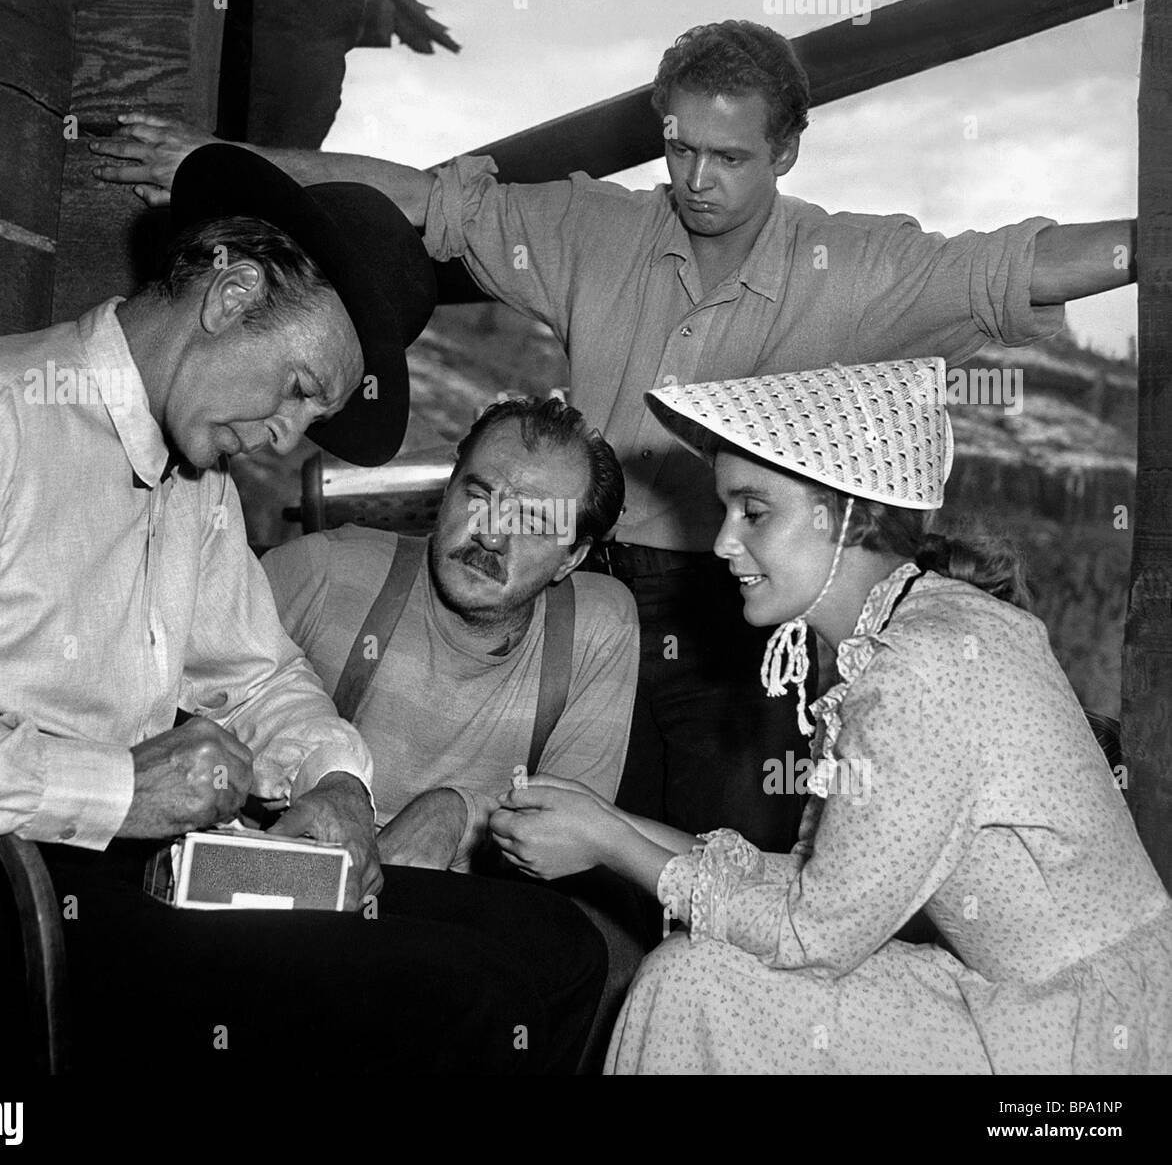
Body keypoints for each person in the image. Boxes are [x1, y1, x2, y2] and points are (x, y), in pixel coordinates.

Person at [87, 20, 1135, 857]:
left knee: (731, 849)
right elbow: (428, 200)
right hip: (583, 586)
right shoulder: (602, 229)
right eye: (679, 146)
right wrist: (227, 165)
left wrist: (1152, 240)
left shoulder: (852, 264)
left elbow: (1012, 266)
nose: (696, 178)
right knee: (560, 843)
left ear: (786, 151)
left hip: (738, 609)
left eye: (730, 156)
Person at [0, 143, 604, 1074]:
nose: (285, 439)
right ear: (231, 294)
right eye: (297, 390)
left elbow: (259, 676)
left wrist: (336, 781)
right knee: (466, 995)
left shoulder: (199, 483)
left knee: (555, 946)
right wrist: (113, 786)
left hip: (151, 864)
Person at [486, 357, 1172, 1074]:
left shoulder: (920, 669)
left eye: (754, 512)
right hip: (1034, 1006)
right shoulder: (913, 632)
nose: (722, 541)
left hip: (1091, 1040)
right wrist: (606, 820)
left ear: (846, 513)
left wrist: (610, 844)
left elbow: (813, 932)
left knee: (694, 981)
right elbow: (820, 883)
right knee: (693, 979)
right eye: (725, 510)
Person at [260, 396, 637, 872]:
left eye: (534, 521)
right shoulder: (323, 573)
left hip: (474, 903)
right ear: (447, 490)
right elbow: (197, 737)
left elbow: (571, 844)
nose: (491, 536)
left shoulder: (595, 628)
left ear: (571, 558)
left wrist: (461, 815)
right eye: (479, 498)